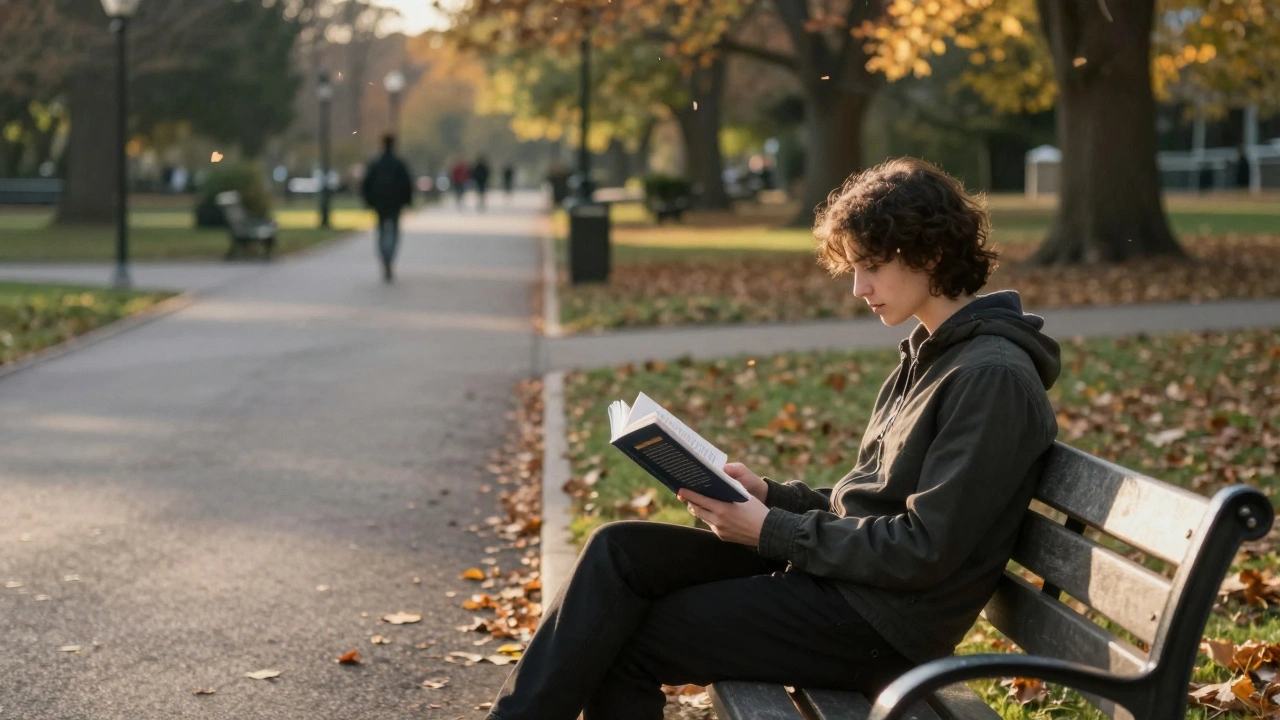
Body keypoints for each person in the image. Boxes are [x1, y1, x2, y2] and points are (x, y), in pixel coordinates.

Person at [485, 157, 1062, 720]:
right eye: (853, 268)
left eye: (873, 266)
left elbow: (923, 550)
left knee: (621, 637)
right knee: (618, 550)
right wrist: (770, 495)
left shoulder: (991, 378)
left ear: (932, 254)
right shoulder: (931, 354)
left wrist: (770, 530)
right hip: (846, 583)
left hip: (882, 624)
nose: (859, 287)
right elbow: (862, 507)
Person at [360, 134, 413, 282]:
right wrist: (407, 201)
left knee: (382, 232)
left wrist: (368, 201)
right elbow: (407, 184)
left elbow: (366, 184)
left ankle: (385, 258)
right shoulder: (399, 163)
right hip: (395, 204)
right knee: (394, 233)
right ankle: (390, 257)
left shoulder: (376, 163)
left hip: (380, 204)